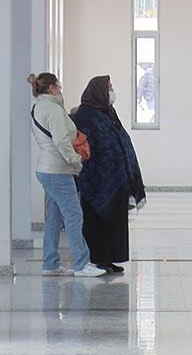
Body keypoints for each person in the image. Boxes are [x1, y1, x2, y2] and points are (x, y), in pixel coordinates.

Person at [27, 73, 106, 278]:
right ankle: (81, 264)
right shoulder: (53, 109)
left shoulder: (39, 106)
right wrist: (76, 160)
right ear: (52, 88)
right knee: (74, 215)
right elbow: (61, 140)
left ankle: (50, 264)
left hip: (48, 168)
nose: (60, 89)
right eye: (58, 86)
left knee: (54, 218)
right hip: (58, 170)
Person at [71, 75, 146, 274]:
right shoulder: (84, 115)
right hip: (96, 178)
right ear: (97, 91)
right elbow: (86, 143)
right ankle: (98, 258)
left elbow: (118, 139)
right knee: (97, 221)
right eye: (109, 88)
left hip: (116, 177)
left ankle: (110, 258)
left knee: (115, 221)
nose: (111, 92)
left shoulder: (107, 112)